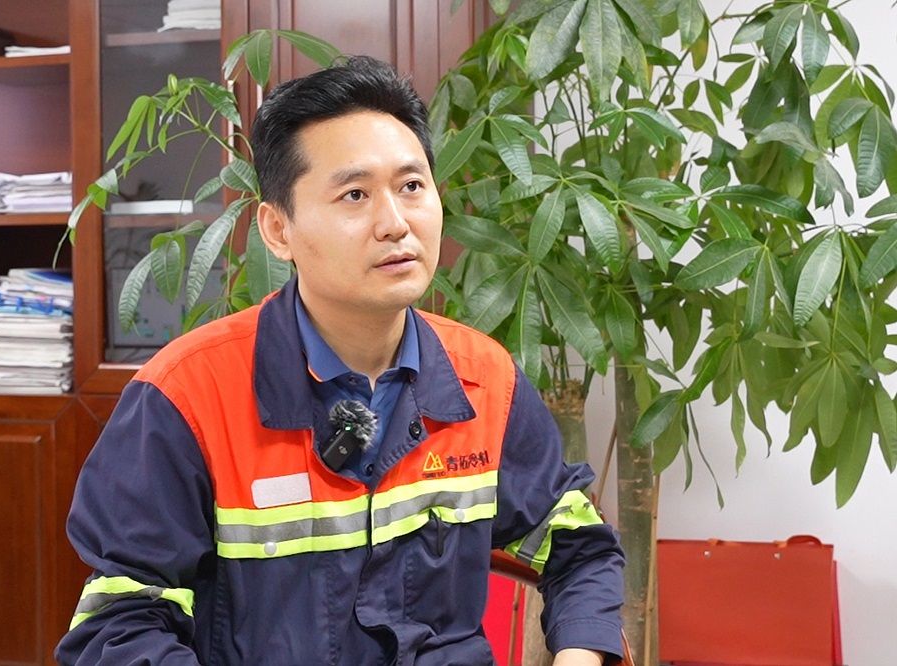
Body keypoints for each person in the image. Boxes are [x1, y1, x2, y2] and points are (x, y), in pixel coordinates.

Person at [56, 55, 625, 666]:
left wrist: (579, 655)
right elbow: (120, 626)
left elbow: (579, 545)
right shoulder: (186, 396)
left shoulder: (485, 379)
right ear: (278, 230)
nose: (395, 223)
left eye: (411, 187)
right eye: (355, 194)